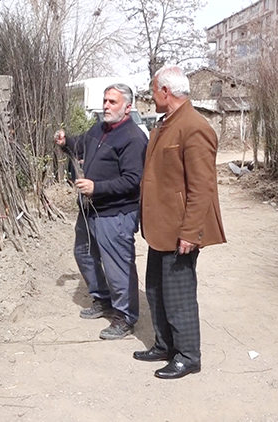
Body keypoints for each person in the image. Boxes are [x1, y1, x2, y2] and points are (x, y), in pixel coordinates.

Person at [133, 65, 226, 378]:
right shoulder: (166, 124)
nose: (152, 96)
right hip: (160, 228)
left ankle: (188, 355)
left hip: (179, 230)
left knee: (179, 296)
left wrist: (190, 232)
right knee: (156, 289)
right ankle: (165, 345)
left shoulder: (194, 126)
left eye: (153, 90)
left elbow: (202, 187)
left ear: (165, 91)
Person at [55, 84, 148, 340]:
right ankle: (102, 299)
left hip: (116, 213)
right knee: (84, 254)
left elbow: (133, 180)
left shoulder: (133, 138)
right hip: (91, 209)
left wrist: (97, 187)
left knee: (118, 266)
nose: (106, 106)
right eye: (105, 100)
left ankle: (125, 317)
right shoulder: (100, 129)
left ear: (127, 107)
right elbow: (81, 145)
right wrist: (66, 142)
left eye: (112, 102)